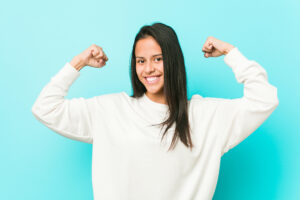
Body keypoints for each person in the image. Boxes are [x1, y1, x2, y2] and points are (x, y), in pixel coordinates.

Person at [31, 22, 279, 200]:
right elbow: (45, 108)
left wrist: (230, 52)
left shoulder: (205, 116)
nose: (148, 69)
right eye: (141, 61)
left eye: (158, 59)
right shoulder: (109, 110)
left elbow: (264, 99)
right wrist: (78, 62)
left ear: (173, 61)